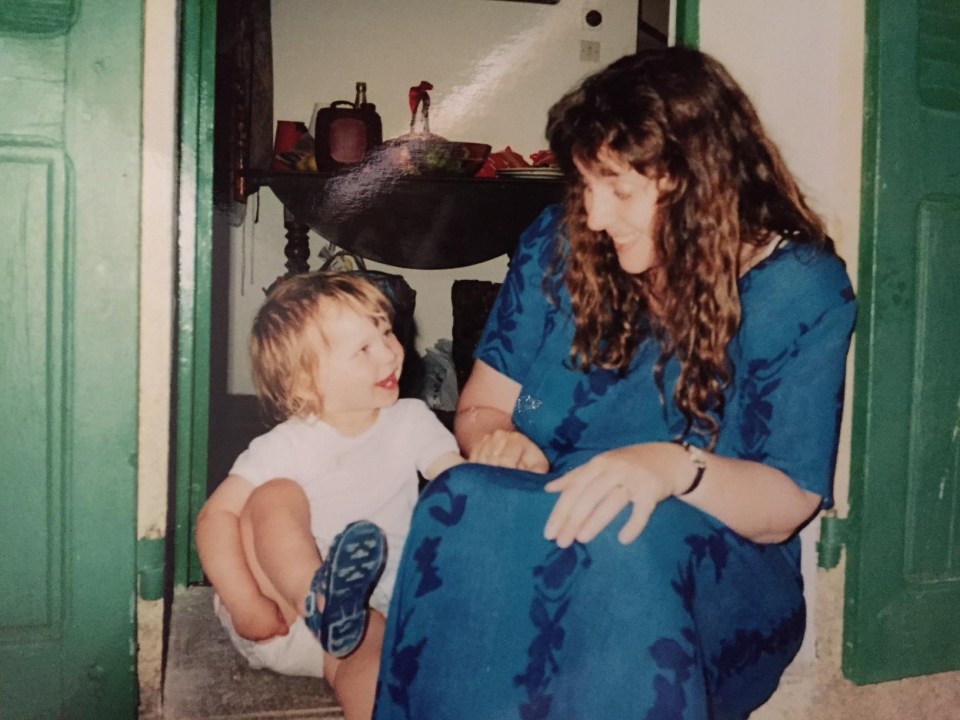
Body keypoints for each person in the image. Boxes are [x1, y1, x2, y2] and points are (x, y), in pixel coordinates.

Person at [373, 47, 856, 719]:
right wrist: (498, 439)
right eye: (586, 186)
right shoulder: (560, 242)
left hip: (704, 548)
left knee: (617, 541)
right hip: (549, 508)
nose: (595, 215)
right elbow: (481, 408)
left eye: (620, 190)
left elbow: (787, 502)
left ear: (703, 184)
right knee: (458, 496)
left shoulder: (799, 288)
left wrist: (670, 469)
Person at [196, 272, 463, 720]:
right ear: (305, 383)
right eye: (363, 349)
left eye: (385, 332)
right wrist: (246, 603)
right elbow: (215, 517)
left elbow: (461, 488)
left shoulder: (411, 421)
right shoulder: (288, 444)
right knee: (272, 496)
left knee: (371, 665)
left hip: (371, 615)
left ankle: (344, 626)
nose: (389, 353)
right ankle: (319, 600)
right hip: (279, 612)